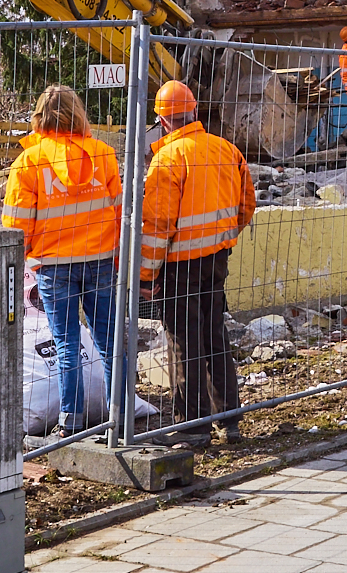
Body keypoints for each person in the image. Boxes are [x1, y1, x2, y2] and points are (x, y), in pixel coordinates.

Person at [139, 80, 256, 448]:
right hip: (216, 259)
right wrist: (223, 237)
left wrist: (146, 275)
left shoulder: (168, 160)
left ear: (162, 120)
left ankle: (193, 428)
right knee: (214, 335)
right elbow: (246, 205)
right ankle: (228, 420)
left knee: (184, 343)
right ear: (193, 112)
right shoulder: (226, 149)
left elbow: (158, 227)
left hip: (179, 265)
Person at [3, 84, 122, 435]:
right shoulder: (103, 154)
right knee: (109, 341)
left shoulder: (30, 162)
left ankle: (71, 422)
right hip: (100, 259)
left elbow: (16, 224)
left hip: (55, 266)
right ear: (79, 114)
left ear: (39, 117)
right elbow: (117, 210)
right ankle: (121, 416)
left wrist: (24, 259)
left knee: (67, 344)